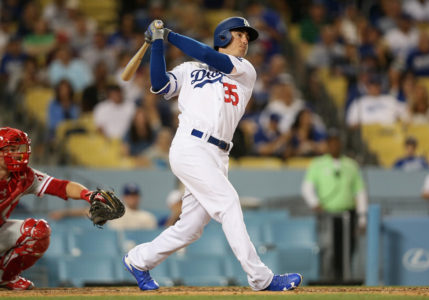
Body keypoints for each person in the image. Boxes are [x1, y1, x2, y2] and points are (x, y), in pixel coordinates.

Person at [123, 18, 302, 292]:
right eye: (239, 34)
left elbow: (207, 55)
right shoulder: (189, 69)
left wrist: (167, 34)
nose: (245, 40)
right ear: (222, 37)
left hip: (219, 155)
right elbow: (159, 84)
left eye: (247, 36)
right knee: (228, 202)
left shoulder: (245, 70)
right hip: (190, 146)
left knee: (191, 228)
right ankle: (261, 278)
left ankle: (139, 260)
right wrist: (157, 44)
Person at [0, 127, 107, 290]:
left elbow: (61, 186)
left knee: (39, 230)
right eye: (11, 150)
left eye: (17, 149)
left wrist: (88, 194)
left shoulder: (24, 176)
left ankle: (5, 278)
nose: (17, 154)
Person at [301, 129, 368, 282]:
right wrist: (314, 203)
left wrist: (362, 217)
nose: (334, 146)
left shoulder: (351, 165)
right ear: (327, 145)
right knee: (330, 247)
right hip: (328, 214)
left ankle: (346, 277)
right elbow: (307, 187)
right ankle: (330, 277)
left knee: (349, 247)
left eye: (337, 142)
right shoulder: (318, 164)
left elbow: (360, 192)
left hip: (348, 213)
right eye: (331, 142)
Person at [49, 183, 158, 231]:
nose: (132, 198)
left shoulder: (148, 217)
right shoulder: (114, 211)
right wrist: (64, 213)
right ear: (124, 197)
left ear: (139, 197)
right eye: (129, 195)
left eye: (134, 195)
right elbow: (87, 211)